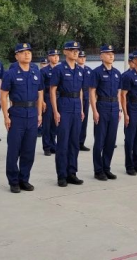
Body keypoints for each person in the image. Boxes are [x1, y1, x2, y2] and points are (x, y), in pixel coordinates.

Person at [1, 43, 44, 193]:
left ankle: (24, 179)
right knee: (14, 150)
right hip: (17, 114)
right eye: (23, 52)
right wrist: (6, 116)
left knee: (29, 150)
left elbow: (40, 93)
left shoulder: (36, 72)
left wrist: (39, 114)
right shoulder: (11, 73)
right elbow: (4, 95)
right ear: (17, 56)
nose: (27, 54)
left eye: (29, 52)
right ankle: (13, 181)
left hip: (32, 114)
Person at [50, 41, 85, 187]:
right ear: (65, 52)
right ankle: (62, 175)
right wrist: (55, 111)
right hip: (64, 105)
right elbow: (52, 90)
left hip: (76, 106)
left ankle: (72, 173)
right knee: (63, 143)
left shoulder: (80, 70)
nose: (75, 52)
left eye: (77, 50)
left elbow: (81, 91)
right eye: (72, 50)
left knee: (74, 143)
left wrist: (81, 109)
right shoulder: (59, 69)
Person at [89, 45, 122, 181]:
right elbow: (92, 92)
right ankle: (98, 170)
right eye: (108, 53)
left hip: (114, 107)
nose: (111, 56)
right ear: (101, 56)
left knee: (110, 140)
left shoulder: (117, 73)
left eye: (112, 53)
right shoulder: (96, 72)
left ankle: (106, 168)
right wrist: (94, 111)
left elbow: (119, 93)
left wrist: (119, 109)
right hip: (102, 106)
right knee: (100, 141)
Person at [40, 49, 60, 156]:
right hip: (47, 97)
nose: (56, 58)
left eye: (57, 56)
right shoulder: (44, 71)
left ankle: (53, 145)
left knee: (55, 123)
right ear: (49, 57)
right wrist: (42, 101)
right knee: (47, 124)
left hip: (58, 97)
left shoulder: (60, 69)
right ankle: (46, 147)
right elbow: (41, 88)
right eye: (53, 56)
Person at [78, 50, 93, 152]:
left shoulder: (89, 70)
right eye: (80, 57)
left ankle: (81, 142)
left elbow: (92, 87)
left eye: (84, 57)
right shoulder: (75, 69)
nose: (82, 59)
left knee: (84, 121)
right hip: (76, 98)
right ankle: (74, 141)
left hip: (86, 98)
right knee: (77, 121)